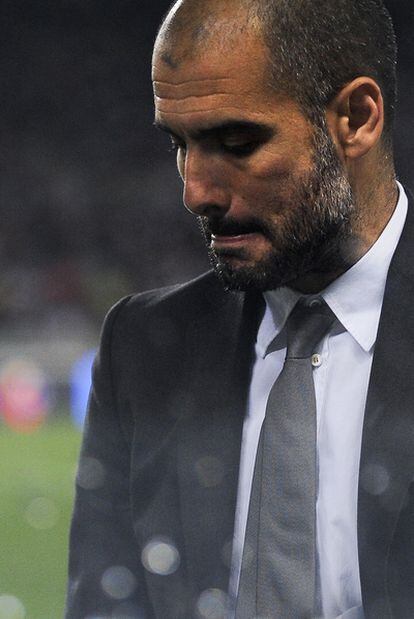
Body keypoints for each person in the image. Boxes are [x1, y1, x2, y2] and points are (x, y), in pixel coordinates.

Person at [65, 1, 414, 617]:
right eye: (180, 144)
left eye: (237, 142)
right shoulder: (144, 347)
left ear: (357, 118)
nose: (195, 191)